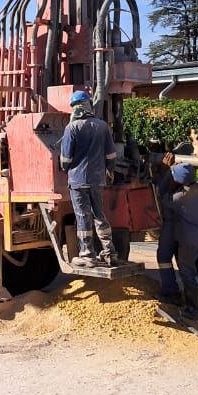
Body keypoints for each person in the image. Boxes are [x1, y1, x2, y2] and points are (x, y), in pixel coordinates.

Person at [60, 90, 119, 267]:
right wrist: (109, 171)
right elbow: (111, 156)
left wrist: (65, 169)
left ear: (74, 107)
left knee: (83, 216)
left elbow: (65, 160)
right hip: (97, 179)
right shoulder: (102, 126)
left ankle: (87, 255)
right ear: (89, 106)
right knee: (99, 214)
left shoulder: (71, 128)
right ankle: (110, 252)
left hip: (78, 180)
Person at [165, 151, 198, 323]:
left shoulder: (178, 198)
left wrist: (166, 171)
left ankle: (192, 310)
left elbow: (162, 198)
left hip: (187, 243)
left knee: (188, 275)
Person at [151, 142, 193, 303]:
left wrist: (166, 169)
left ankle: (172, 292)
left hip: (174, 220)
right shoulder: (186, 170)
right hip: (181, 221)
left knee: (165, 256)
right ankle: (190, 297)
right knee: (182, 259)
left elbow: (161, 189)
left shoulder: (181, 171)